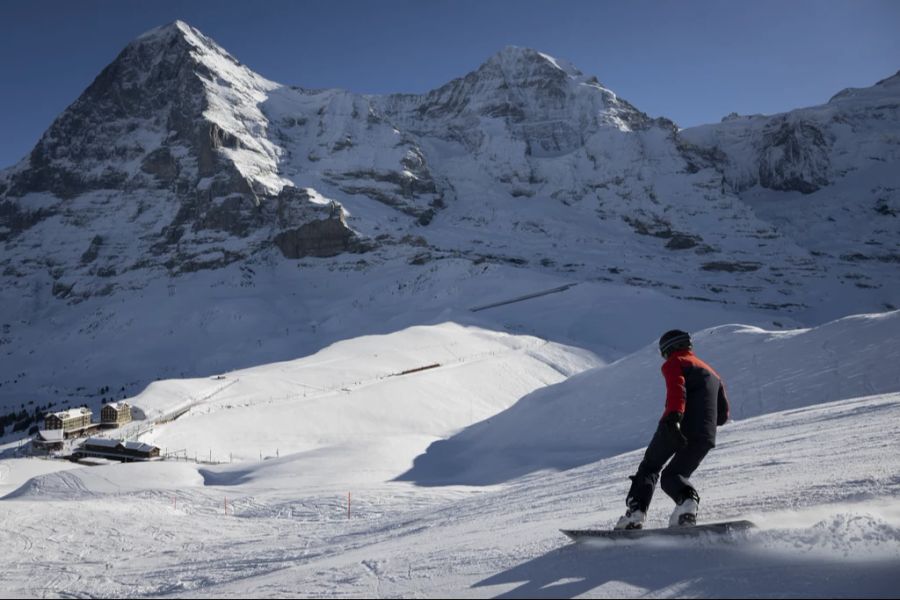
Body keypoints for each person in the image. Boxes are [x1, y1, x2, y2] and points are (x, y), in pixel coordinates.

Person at [615, 329, 730, 529]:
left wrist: (675, 417)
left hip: (676, 425)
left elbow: (677, 389)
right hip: (705, 435)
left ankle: (635, 515)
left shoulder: (675, 363)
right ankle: (687, 507)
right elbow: (722, 416)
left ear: (669, 349)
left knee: (650, 467)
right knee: (673, 476)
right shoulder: (714, 374)